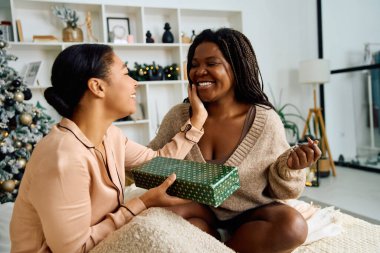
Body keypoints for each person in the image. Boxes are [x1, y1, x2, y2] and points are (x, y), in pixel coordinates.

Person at [9, 44, 208, 253]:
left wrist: (196, 121)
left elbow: (157, 161)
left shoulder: (110, 136)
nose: (135, 83)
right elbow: (75, 249)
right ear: (98, 87)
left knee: (198, 219)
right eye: (126, 73)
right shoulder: (63, 157)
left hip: (101, 240)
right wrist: (142, 203)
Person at [148, 28, 322, 253]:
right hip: (200, 210)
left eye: (212, 63)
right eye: (194, 64)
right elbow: (150, 161)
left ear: (237, 68)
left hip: (251, 213)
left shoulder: (265, 120)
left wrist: (290, 168)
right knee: (160, 217)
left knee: (293, 226)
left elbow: (284, 192)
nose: (200, 71)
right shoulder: (179, 116)